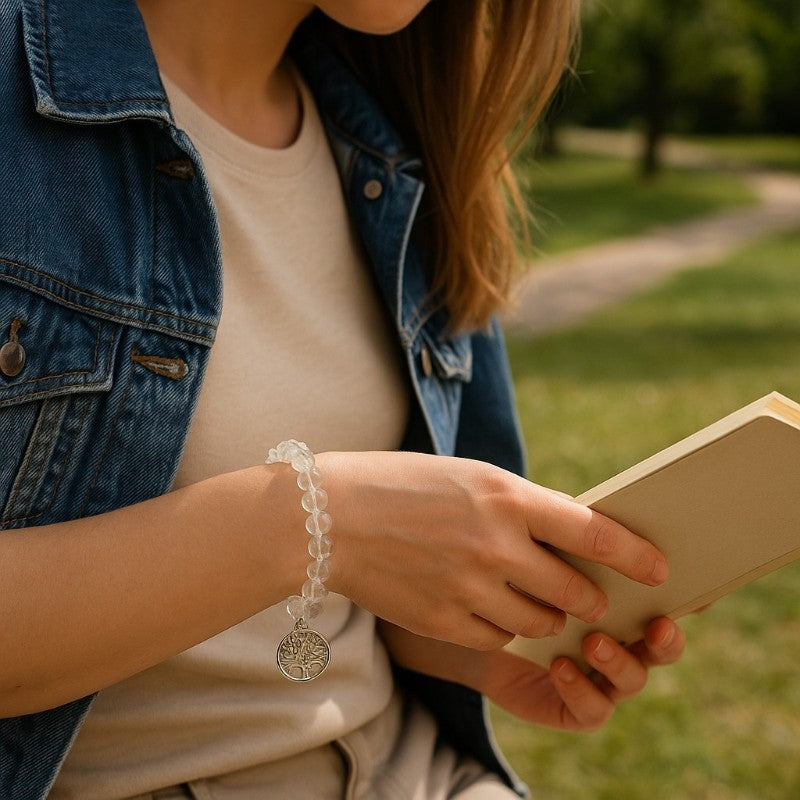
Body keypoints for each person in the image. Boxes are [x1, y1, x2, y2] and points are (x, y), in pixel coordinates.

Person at [0, 1, 686, 798]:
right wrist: (321, 521)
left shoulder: (397, 147)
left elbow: (371, 603)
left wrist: (492, 644)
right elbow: (336, 537)